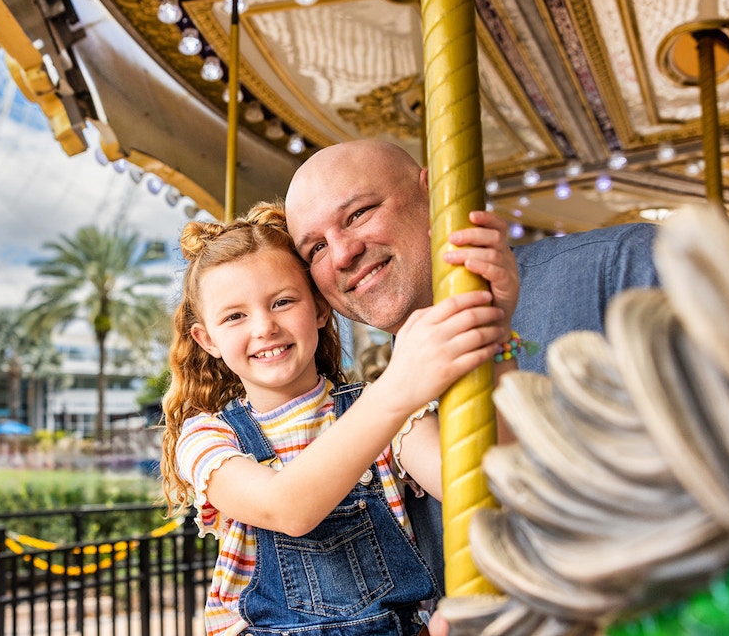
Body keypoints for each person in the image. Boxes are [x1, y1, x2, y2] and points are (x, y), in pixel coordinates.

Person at [159, 202, 518, 636]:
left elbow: (484, 488)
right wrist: (397, 387)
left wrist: (496, 333)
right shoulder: (208, 439)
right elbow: (286, 507)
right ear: (207, 339)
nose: (264, 327)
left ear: (320, 310)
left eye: (283, 302)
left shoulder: (389, 414)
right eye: (235, 316)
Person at [285, 139, 660, 375]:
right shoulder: (376, 409)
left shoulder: (620, 267)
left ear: (435, 196)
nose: (342, 255)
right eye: (316, 248)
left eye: (359, 214)